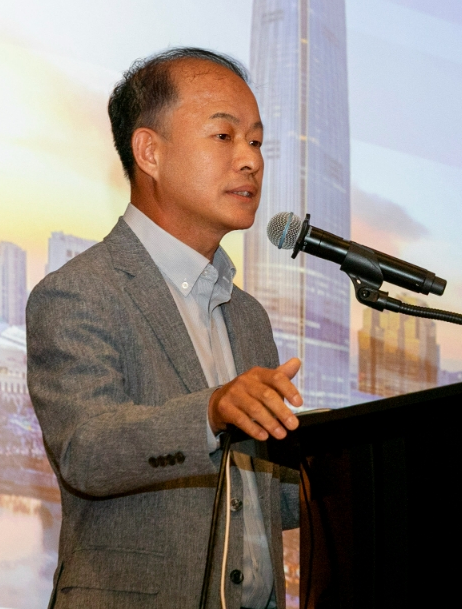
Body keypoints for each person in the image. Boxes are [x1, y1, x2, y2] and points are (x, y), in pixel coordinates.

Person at [27, 47, 302, 609]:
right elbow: (86, 450)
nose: (250, 161)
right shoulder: (82, 292)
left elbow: (263, 500)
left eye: (256, 142)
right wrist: (210, 412)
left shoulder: (248, 316)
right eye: (224, 136)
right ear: (149, 151)